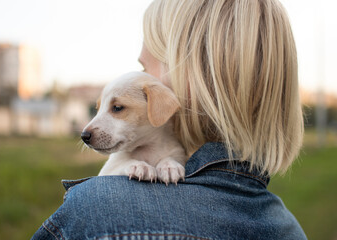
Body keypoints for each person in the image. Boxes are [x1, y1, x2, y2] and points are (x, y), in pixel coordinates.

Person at [32, 0, 307, 239]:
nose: (139, 75)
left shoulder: (96, 212)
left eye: (144, 68)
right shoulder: (291, 230)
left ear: (190, 77)